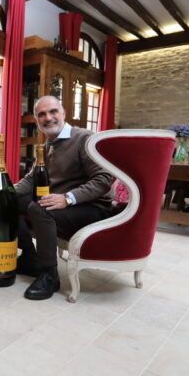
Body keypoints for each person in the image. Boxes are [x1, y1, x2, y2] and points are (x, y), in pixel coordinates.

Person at [15, 96, 113, 300]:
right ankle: (29, 258)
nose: (48, 117)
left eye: (53, 112)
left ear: (64, 114)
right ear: (36, 120)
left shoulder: (84, 138)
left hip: (92, 207)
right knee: (11, 200)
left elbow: (104, 179)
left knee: (39, 209)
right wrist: (3, 191)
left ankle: (49, 275)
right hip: (62, 205)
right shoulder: (48, 145)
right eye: (41, 114)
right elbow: (31, 179)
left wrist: (67, 198)